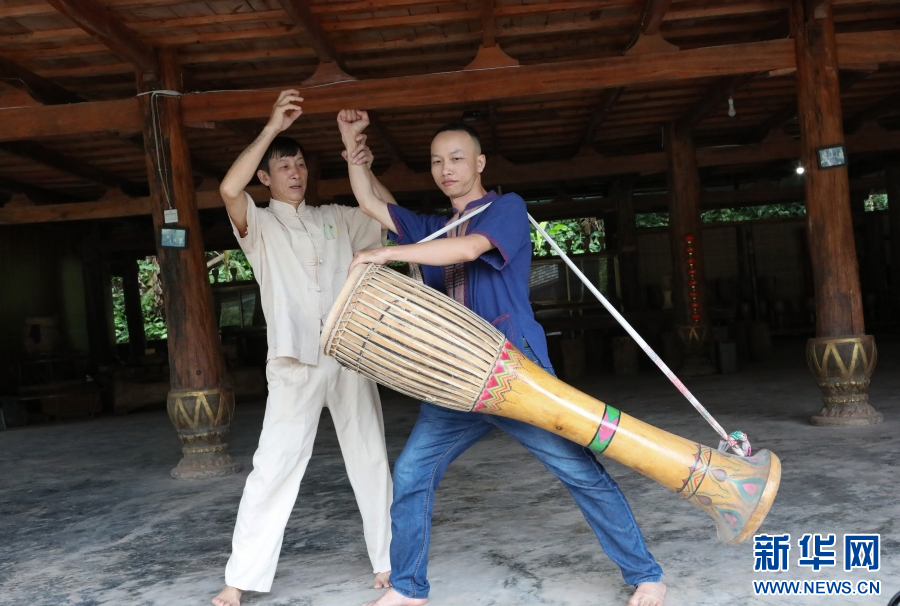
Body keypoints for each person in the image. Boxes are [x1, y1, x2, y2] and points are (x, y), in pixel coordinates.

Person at [335, 109, 666, 606]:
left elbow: (470, 249)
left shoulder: (505, 207)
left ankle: (646, 574)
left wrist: (385, 254)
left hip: (516, 370)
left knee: (578, 471)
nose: (446, 169)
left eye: (456, 158)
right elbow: (368, 201)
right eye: (437, 161)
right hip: (453, 376)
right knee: (411, 474)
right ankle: (408, 588)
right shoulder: (432, 227)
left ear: (479, 162)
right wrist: (351, 144)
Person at [212, 92, 393, 606]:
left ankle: (387, 561)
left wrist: (358, 155)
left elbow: (388, 214)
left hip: (348, 353)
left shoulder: (335, 216)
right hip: (293, 361)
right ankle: (240, 579)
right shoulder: (259, 225)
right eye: (283, 167)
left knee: (370, 457)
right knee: (274, 465)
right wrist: (272, 126)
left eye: (300, 164)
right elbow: (228, 188)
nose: (295, 173)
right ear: (265, 177)